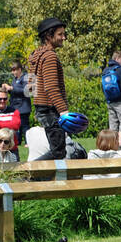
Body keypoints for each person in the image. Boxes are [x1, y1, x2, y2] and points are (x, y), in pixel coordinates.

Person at [28, 17, 70, 161]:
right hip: (51, 110)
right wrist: (64, 111)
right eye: (60, 34)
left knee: (57, 151)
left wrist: (37, 105)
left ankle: (42, 180)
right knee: (58, 152)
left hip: (42, 108)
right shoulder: (50, 56)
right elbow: (52, 88)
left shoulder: (35, 55)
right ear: (48, 36)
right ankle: (28, 173)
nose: (64, 38)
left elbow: (30, 88)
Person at [102, 50, 121, 149]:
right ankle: (119, 145)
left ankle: (111, 146)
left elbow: (102, 86)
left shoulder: (105, 70)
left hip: (110, 102)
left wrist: (107, 98)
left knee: (113, 124)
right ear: (117, 58)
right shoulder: (120, 70)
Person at [5, 61, 31, 142]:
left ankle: (28, 142)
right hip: (15, 106)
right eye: (12, 70)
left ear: (19, 69)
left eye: (14, 70)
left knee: (24, 126)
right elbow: (14, 92)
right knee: (16, 126)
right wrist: (8, 89)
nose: (13, 72)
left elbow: (27, 91)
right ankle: (17, 142)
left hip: (23, 107)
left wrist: (12, 88)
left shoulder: (26, 77)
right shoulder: (14, 79)